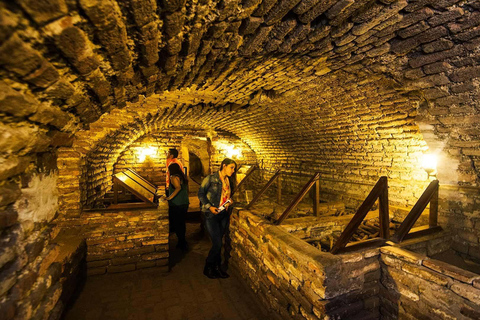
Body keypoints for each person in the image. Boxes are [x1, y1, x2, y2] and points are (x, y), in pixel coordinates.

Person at [198, 158, 237, 279]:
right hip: (212, 215)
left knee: (219, 242)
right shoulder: (210, 178)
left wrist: (229, 201)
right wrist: (209, 207)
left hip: (223, 214)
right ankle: (208, 267)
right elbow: (201, 194)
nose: (233, 170)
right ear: (224, 166)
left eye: (234, 168)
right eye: (231, 167)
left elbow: (226, 196)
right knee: (217, 243)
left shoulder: (228, 180)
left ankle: (217, 268)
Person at [163, 163, 189, 251]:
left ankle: (181, 242)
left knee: (178, 223)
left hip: (177, 203)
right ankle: (183, 241)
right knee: (182, 223)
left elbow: (178, 188)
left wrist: (169, 198)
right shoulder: (182, 177)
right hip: (184, 202)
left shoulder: (173, 177)